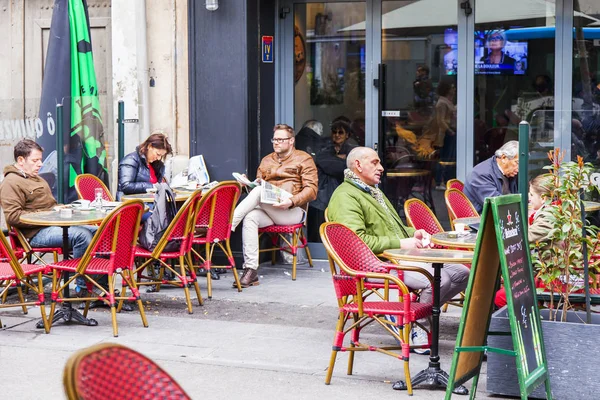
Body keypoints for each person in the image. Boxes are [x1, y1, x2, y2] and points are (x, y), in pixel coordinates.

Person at [327, 147, 470, 353]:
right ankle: (418, 328)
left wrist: (414, 233)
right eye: (375, 163)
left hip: (398, 257)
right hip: (377, 263)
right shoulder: (345, 196)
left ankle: (408, 317)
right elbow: (355, 243)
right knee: (438, 280)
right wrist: (403, 243)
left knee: (462, 273)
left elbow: (395, 229)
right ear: (358, 165)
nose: (382, 168)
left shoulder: (371, 190)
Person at [0, 139, 99, 298]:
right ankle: (83, 288)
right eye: (35, 160)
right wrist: (49, 214)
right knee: (82, 236)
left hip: (53, 225)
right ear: (20, 160)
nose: (40, 164)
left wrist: (61, 208)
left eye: (40, 159)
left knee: (101, 232)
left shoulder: (36, 177)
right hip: (34, 234)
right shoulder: (11, 182)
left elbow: (47, 205)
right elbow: (13, 217)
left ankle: (99, 284)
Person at [231, 124, 318, 288]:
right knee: (250, 217)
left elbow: (312, 190)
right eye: (274, 139)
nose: (276, 143)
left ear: (291, 141)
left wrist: (292, 201)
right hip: (271, 210)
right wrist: (247, 184)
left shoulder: (304, 158)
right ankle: (251, 271)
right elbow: (258, 187)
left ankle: (227, 225)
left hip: (292, 210)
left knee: (258, 193)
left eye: (280, 139)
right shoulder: (267, 160)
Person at [494, 175, 553, 308]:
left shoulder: (550, 217)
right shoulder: (551, 211)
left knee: (500, 298)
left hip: (548, 278)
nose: (529, 197)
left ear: (544, 198)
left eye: (532, 194)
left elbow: (526, 237)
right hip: (543, 273)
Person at [307, 120, 357, 242]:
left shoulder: (352, 150)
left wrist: (339, 161)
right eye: (334, 132)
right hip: (323, 193)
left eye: (341, 132)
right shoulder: (324, 147)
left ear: (347, 135)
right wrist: (341, 161)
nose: (337, 135)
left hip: (343, 192)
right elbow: (328, 164)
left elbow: (352, 168)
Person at [464, 140, 519, 213]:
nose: (519, 168)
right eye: (517, 162)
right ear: (504, 158)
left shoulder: (510, 172)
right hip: (482, 220)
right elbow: (495, 203)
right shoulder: (481, 174)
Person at [117, 133, 173, 200]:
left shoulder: (156, 165)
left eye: (161, 156)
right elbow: (126, 186)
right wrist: (152, 186)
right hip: (132, 205)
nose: (158, 158)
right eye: (158, 154)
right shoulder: (130, 160)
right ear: (149, 146)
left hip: (151, 204)